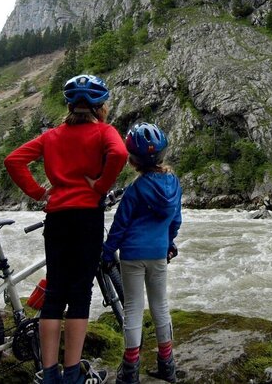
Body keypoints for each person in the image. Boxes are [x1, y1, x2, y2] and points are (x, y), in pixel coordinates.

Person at [5, 74, 128, 384]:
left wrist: (37, 193)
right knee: (79, 295)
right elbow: (121, 154)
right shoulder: (104, 131)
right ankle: (72, 373)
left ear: (70, 105)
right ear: (101, 106)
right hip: (87, 218)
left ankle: (49, 375)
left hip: (57, 217)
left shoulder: (52, 136)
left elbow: (13, 160)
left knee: (55, 294)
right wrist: (100, 186)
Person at [103, 123, 182, 384]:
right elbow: (175, 221)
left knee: (133, 308)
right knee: (161, 305)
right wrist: (169, 243)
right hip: (159, 253)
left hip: (132, 255)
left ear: (133, 161)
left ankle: (131, 370)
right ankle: (167, 365)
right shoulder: (174, 184)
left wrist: (106, 252)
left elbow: (120, 225)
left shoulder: (135, 189)